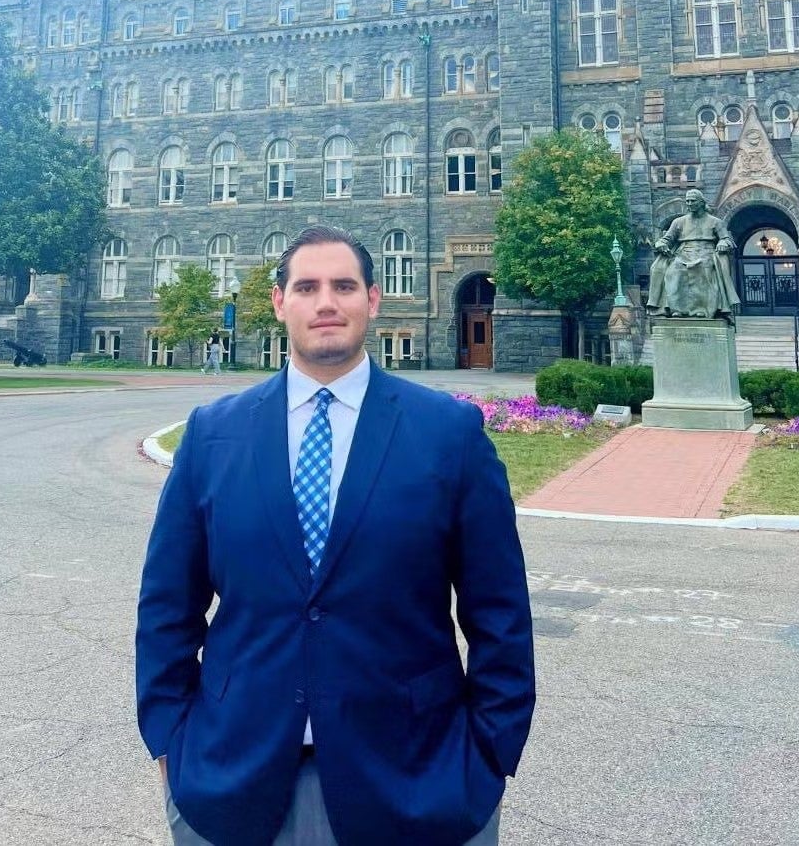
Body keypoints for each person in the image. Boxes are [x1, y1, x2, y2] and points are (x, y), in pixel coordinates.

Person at [136, 224, 535, 846]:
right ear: (280, 302)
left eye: (344, 285)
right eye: (308, 286)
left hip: (418, 781)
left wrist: (490, 757)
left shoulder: (448, 433)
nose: (327, 302)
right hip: (234, 779)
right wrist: (168, 741)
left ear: (372, 300)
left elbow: (500, 614)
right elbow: (167, 608)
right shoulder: (214, 435)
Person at [646, 187, 741, 322]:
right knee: (675, 270)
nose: (689, 204)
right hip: (683, 253)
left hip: (706, 252)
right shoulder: (678, 222)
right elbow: (667, 239)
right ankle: (677, 309)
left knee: (702, 268)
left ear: (701, 202)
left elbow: (726, 239)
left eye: (693, 201)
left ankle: (702, 310)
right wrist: (661, 244)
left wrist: (723, 243)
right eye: (688, 201)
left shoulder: (715, 222)